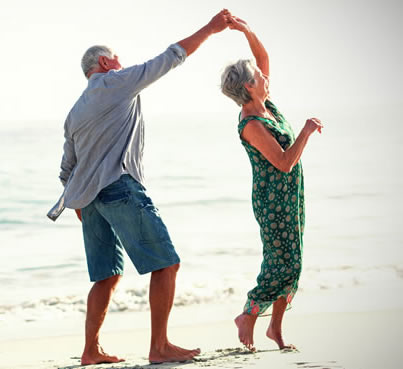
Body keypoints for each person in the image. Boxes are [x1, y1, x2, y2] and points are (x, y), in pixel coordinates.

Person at [53, 10, 231, 365]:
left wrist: (81, 205)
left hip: (88, 201)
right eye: (116, 58)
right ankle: (159, 346)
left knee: (107, 275)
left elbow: (66, 170)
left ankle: (91, 351)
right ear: (105, 62)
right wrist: (211, 29)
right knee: (166, 264)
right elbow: (169, 58)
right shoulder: (115, 81)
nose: (121, 63)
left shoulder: (75, 111)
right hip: (119, 188)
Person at [221, 16, 323, 351]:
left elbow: (263, 60)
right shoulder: (251, 122)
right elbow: (283, 162)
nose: (265, 76)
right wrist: (306, 132)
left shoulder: (266, 106)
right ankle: (248, 313)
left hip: (291, 195)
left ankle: (275, 330)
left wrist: (246, 31)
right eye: (259, 77)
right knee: (285, 262)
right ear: (249, 86)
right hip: (273, 199)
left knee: (294, 261)